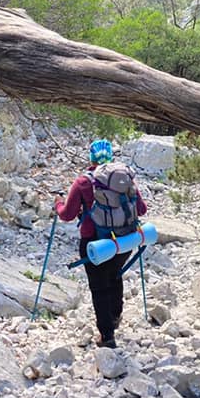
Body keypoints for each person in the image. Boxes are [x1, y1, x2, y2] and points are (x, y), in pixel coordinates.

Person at [54, 139, 147, 349]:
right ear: (111, 157)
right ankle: (115, 316)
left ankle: (107, 336)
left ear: (90, 158)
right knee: (115, 275)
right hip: (123, 241)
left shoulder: (83, 182)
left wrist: (58, 204)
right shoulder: (124, 178)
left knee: (99, 287)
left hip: (94, 243)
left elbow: (67, 215)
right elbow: (141, 209)